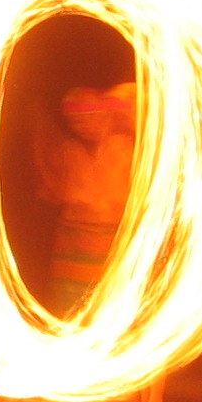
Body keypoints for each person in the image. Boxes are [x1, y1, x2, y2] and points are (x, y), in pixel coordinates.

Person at [34, 82, 139, 318]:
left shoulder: (124, 149)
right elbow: (57, 191)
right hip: (71, 257)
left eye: (89, 115)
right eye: (75, 120)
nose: (82, 125)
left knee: (109, 317)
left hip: (109, 254)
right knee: (71, 315)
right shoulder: (71, 152)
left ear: (103, 113)